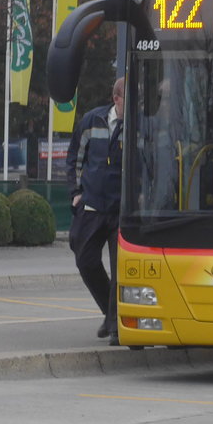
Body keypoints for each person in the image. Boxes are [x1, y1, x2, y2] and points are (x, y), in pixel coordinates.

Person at [66, 77, 124, 344]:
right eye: (128, 99)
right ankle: (110, 313)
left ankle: (115, 326)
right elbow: (74, 160)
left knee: (120, 268)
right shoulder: (91, 120)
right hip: (91, 205)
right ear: (116, 99)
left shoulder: (139, 125)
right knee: (85, 260)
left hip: (122, 210)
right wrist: (76, 193)